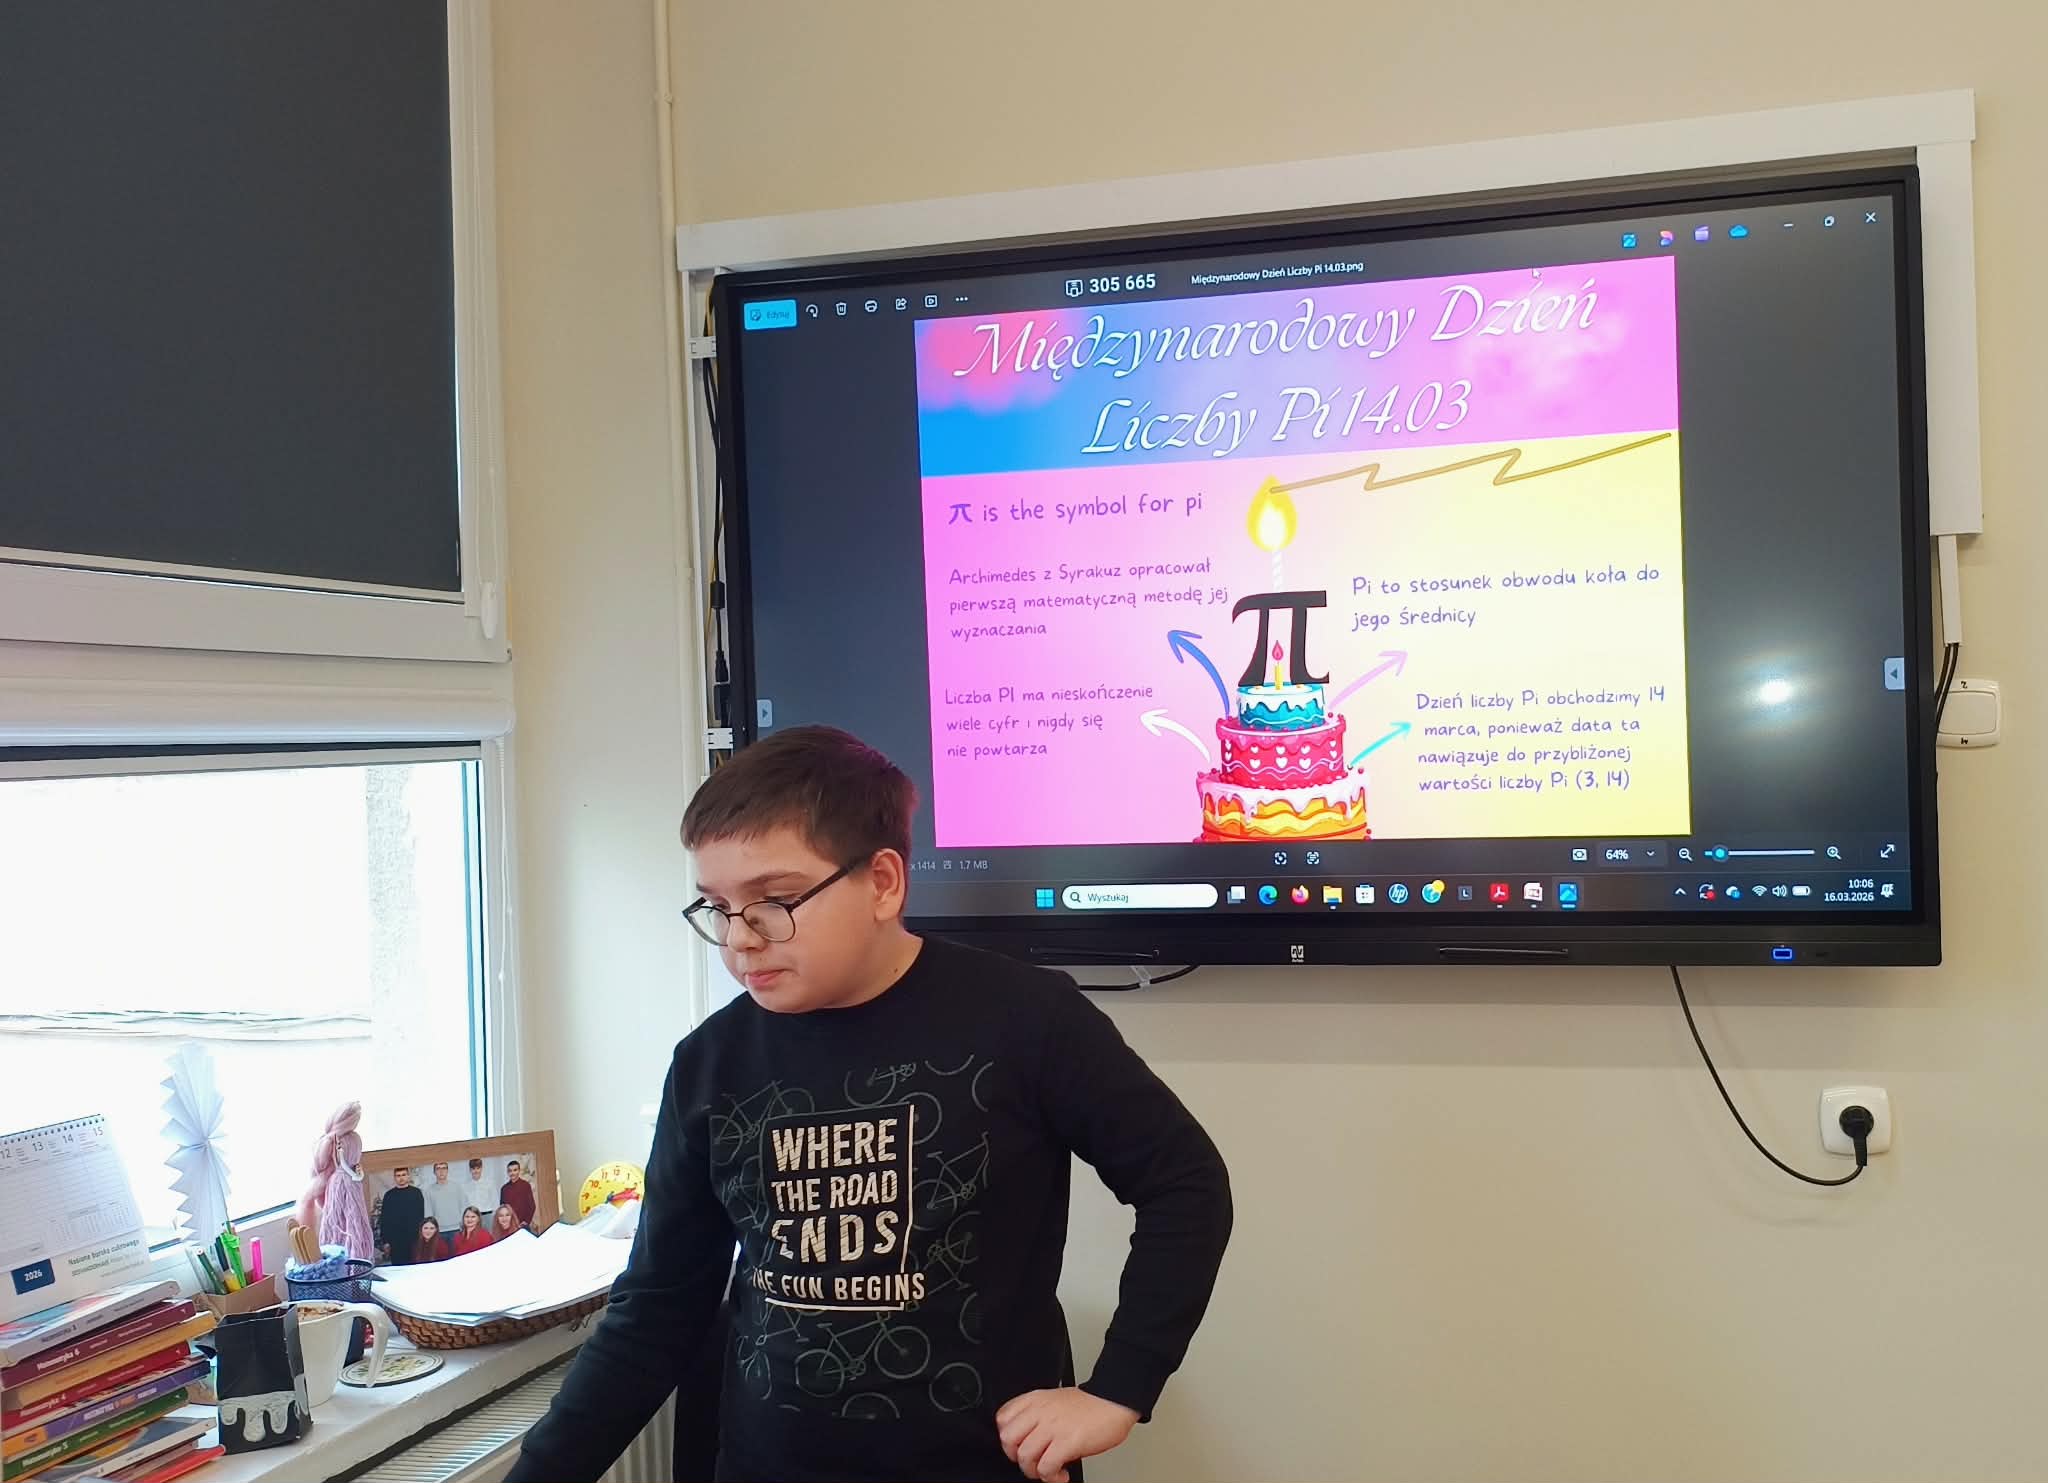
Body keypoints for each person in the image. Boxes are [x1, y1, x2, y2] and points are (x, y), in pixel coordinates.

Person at [507, 727, 1232, 1483]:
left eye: (774, 900)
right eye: (717, 905)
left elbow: (1184, 1183)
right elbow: (659, 1303)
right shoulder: (710, 1064)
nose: (739, 939)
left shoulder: (1025, 1019)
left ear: (883, 882)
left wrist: (1119, 1388)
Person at [377, 1165, 426, 1266]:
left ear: (408, 1176)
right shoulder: (389, 1195)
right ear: (394, 1178)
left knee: (415, 1266)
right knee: (398, 1267)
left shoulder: (416, 1193)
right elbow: (385, 1219)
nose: (401, 1178)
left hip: (414, 1239)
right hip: (396, 1241)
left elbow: (421, 1215)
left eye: (403, 1175)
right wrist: (386, 1241)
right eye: (398, 1175)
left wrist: (421, 1236)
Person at [424, 1161, 466, 1252]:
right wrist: (431, 1230)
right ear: (434, 1172)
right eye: (438, 1169)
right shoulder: (429, 1190)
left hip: (456, 1229)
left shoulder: (456, 1187)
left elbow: (464, 1206)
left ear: (447, 1170)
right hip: (439, 1231)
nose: (441, 1171)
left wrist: (463, 1225)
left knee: (456, 1256)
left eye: (444, 1168)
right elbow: (428, 1212)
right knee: (441, 1257)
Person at [499, 1159, 537, 1230]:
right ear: (507, 1172)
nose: (512, 1173)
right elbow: (502, 1208)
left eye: (515, 1170)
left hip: (523, 1225)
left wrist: (526, 1221)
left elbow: (532, 1206)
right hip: (509, 1226)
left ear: (519, 1171)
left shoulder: (526, 1185)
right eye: (510, 1171)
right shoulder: (504, 1189)